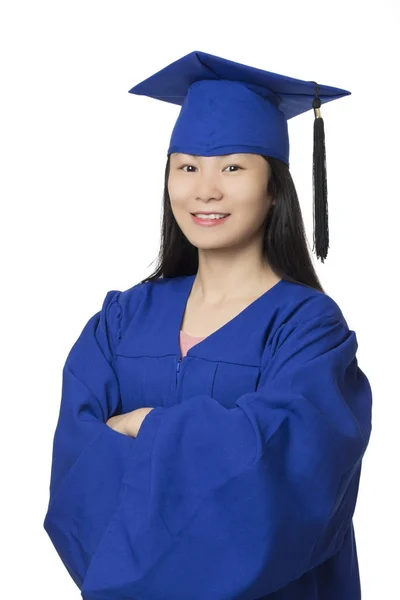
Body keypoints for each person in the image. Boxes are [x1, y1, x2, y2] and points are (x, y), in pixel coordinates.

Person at [43, 50, 373, 600]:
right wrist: (217, 443)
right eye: (187, 166)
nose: (205, 190)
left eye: (234, 167)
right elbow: (77, 473)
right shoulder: (122, 319)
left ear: (274, 188)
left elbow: (291, 476)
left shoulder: (309, 329)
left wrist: (144, 427)